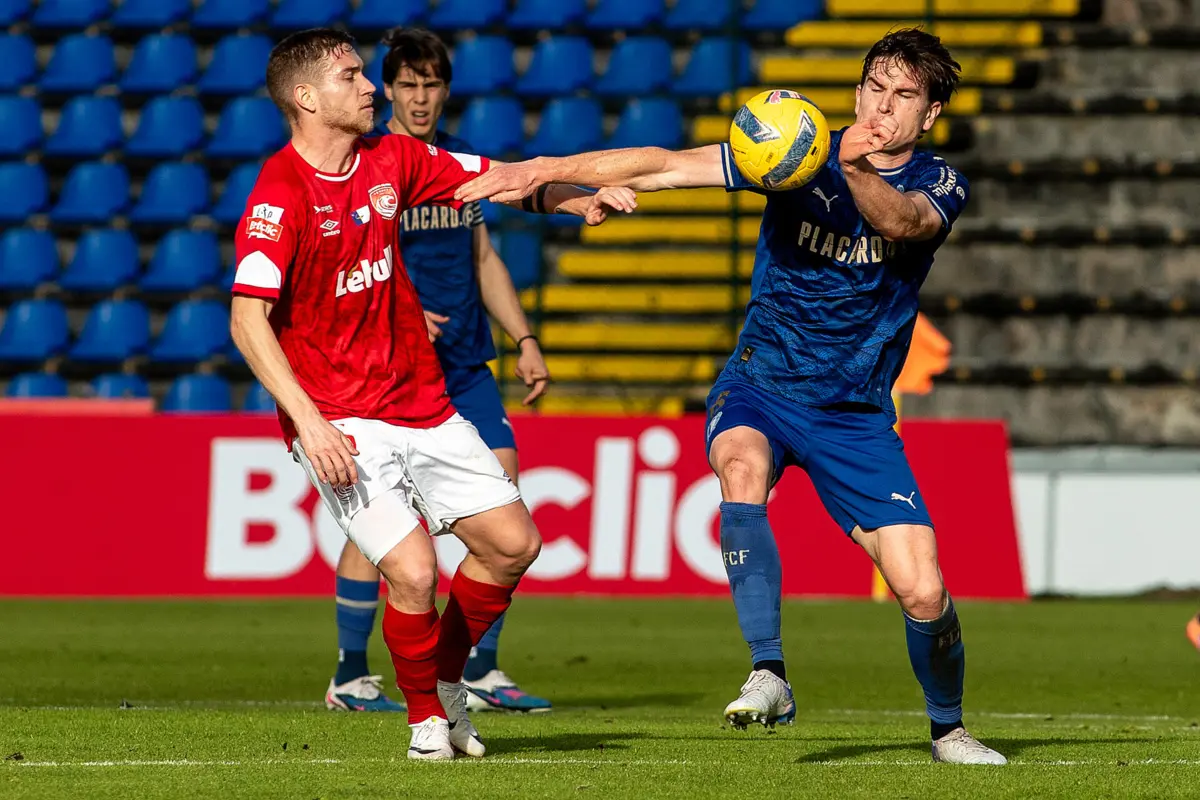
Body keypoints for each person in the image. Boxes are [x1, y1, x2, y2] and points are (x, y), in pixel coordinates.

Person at [456, 27, 1007, 765]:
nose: (883, 106)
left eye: (904, 96)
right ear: (855, 90)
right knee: (739, 469)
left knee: (923, 592)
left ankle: (948, 729)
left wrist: (842, 166)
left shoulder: (939, 181)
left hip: (854, 414)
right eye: (875, 87)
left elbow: (901, 223)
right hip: (761, 381)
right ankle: (769, 671)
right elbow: (662, 165)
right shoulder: (792, 153)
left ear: (930, 115)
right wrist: (549, 166)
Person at [228, 28, 631, 760]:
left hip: (422, 400)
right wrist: (308, 424)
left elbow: (498, 177)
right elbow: (246, 318)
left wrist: (573, 198)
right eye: (352, 76)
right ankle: (426, 726)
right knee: (414, 570)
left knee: (515, 546)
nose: (371, 88)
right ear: (306, 97)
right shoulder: (278, 194)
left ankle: (444, 681)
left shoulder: (395, 158)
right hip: (341, 419)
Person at [325, 26, 552, 715]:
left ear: (445, 92)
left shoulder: (456, 166)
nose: (421, 99)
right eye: (409, 86)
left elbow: (482, 259)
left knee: (503, 499)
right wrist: (394, 312)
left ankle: (479, 668)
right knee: (387, 527)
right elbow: (347, 261)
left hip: (465, 363)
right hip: (392, 371)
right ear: (388, 89)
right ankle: (350, 674)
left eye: (433, 86)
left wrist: (525, 336)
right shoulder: (371, 164)